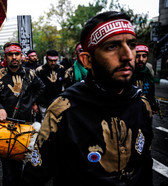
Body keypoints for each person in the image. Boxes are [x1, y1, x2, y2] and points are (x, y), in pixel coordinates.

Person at [23, 11, 153, 186]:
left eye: (131, 44)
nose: (128, 55)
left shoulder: (142, 105)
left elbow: (145, 166)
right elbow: (34, 177)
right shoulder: (63, 112)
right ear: (87, 60)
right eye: (112, 47)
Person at [0, 42, 45, 186]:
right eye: (10, 54)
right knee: (7, 170)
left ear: (21, 56)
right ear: (5, 56)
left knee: (22, 166)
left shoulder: (30, 73)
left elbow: (40, 87)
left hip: (25, 125)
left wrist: (31, 102)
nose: (14, 57)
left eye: (17, 54)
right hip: (4, 127)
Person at [35, 49, 65, 120]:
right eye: (51, 61)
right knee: (45, 123)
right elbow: (35, 88)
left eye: (55, 60)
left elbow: (64, 85)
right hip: (44, 103)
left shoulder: (61, 68)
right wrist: (35, 103)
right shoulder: (39, 70)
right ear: (46, 59)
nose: (53, 63)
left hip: (58, 102)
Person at [133, 44, 158, 113]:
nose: (141, 59)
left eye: (144, 56)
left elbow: (151, 90)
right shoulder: (128, 71)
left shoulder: (149, 70)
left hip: (146, 110)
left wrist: (153, 105)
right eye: (137, 56)